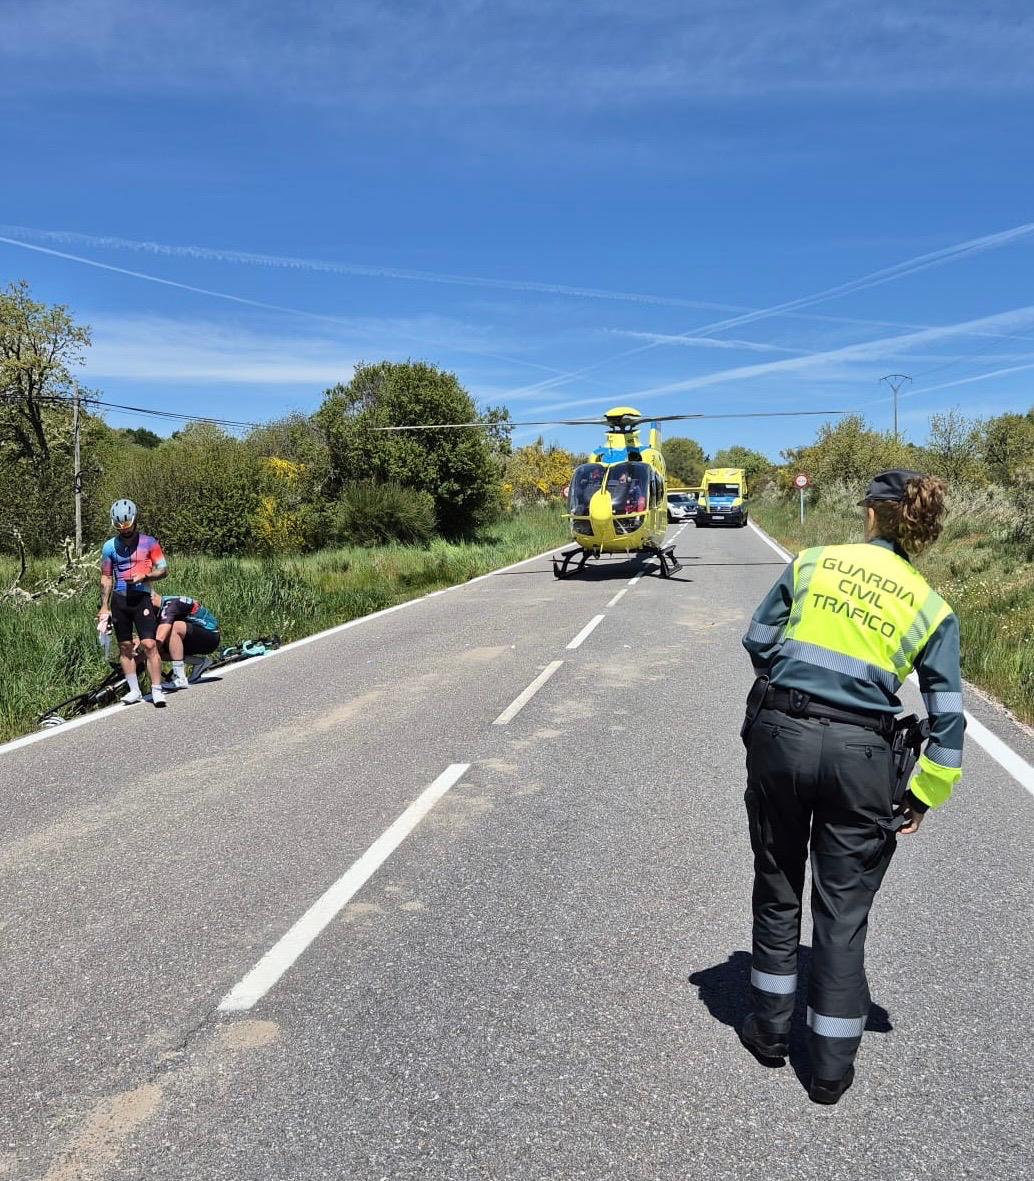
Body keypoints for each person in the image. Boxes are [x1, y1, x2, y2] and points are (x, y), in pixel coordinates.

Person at [738, 470, 963, 1104]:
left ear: (870, 515)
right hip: (864, 757)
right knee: (842, 916)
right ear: (916, 526)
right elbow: (947, 715)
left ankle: (770, 1033)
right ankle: (831, 1072)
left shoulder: (813, 563)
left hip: (781, 735)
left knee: (778, 883)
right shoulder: (929, 605)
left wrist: (792, 681)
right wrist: (925, 793)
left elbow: (758, 641)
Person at [98, 499, 169, 707]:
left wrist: (145, 576)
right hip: (120, 601)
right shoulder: (109, 547)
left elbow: (163, 570)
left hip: (141, 598)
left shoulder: (149, 542)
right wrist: (104, 605)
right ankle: (134, 690)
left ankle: (157, 690)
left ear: (135, 521)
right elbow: (106, 577)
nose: (125, 531)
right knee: (125, 647)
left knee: (149, 644)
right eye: (121, 528)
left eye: (128, 527)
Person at [154, 594, 221, 689]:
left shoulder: (170, 605)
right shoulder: (160, 607)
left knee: (174, 627)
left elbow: (160, 638)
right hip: (194, 636)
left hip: (210, 636)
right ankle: (200, 662)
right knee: (159, 652)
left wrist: (142, 655)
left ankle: (180, 678)